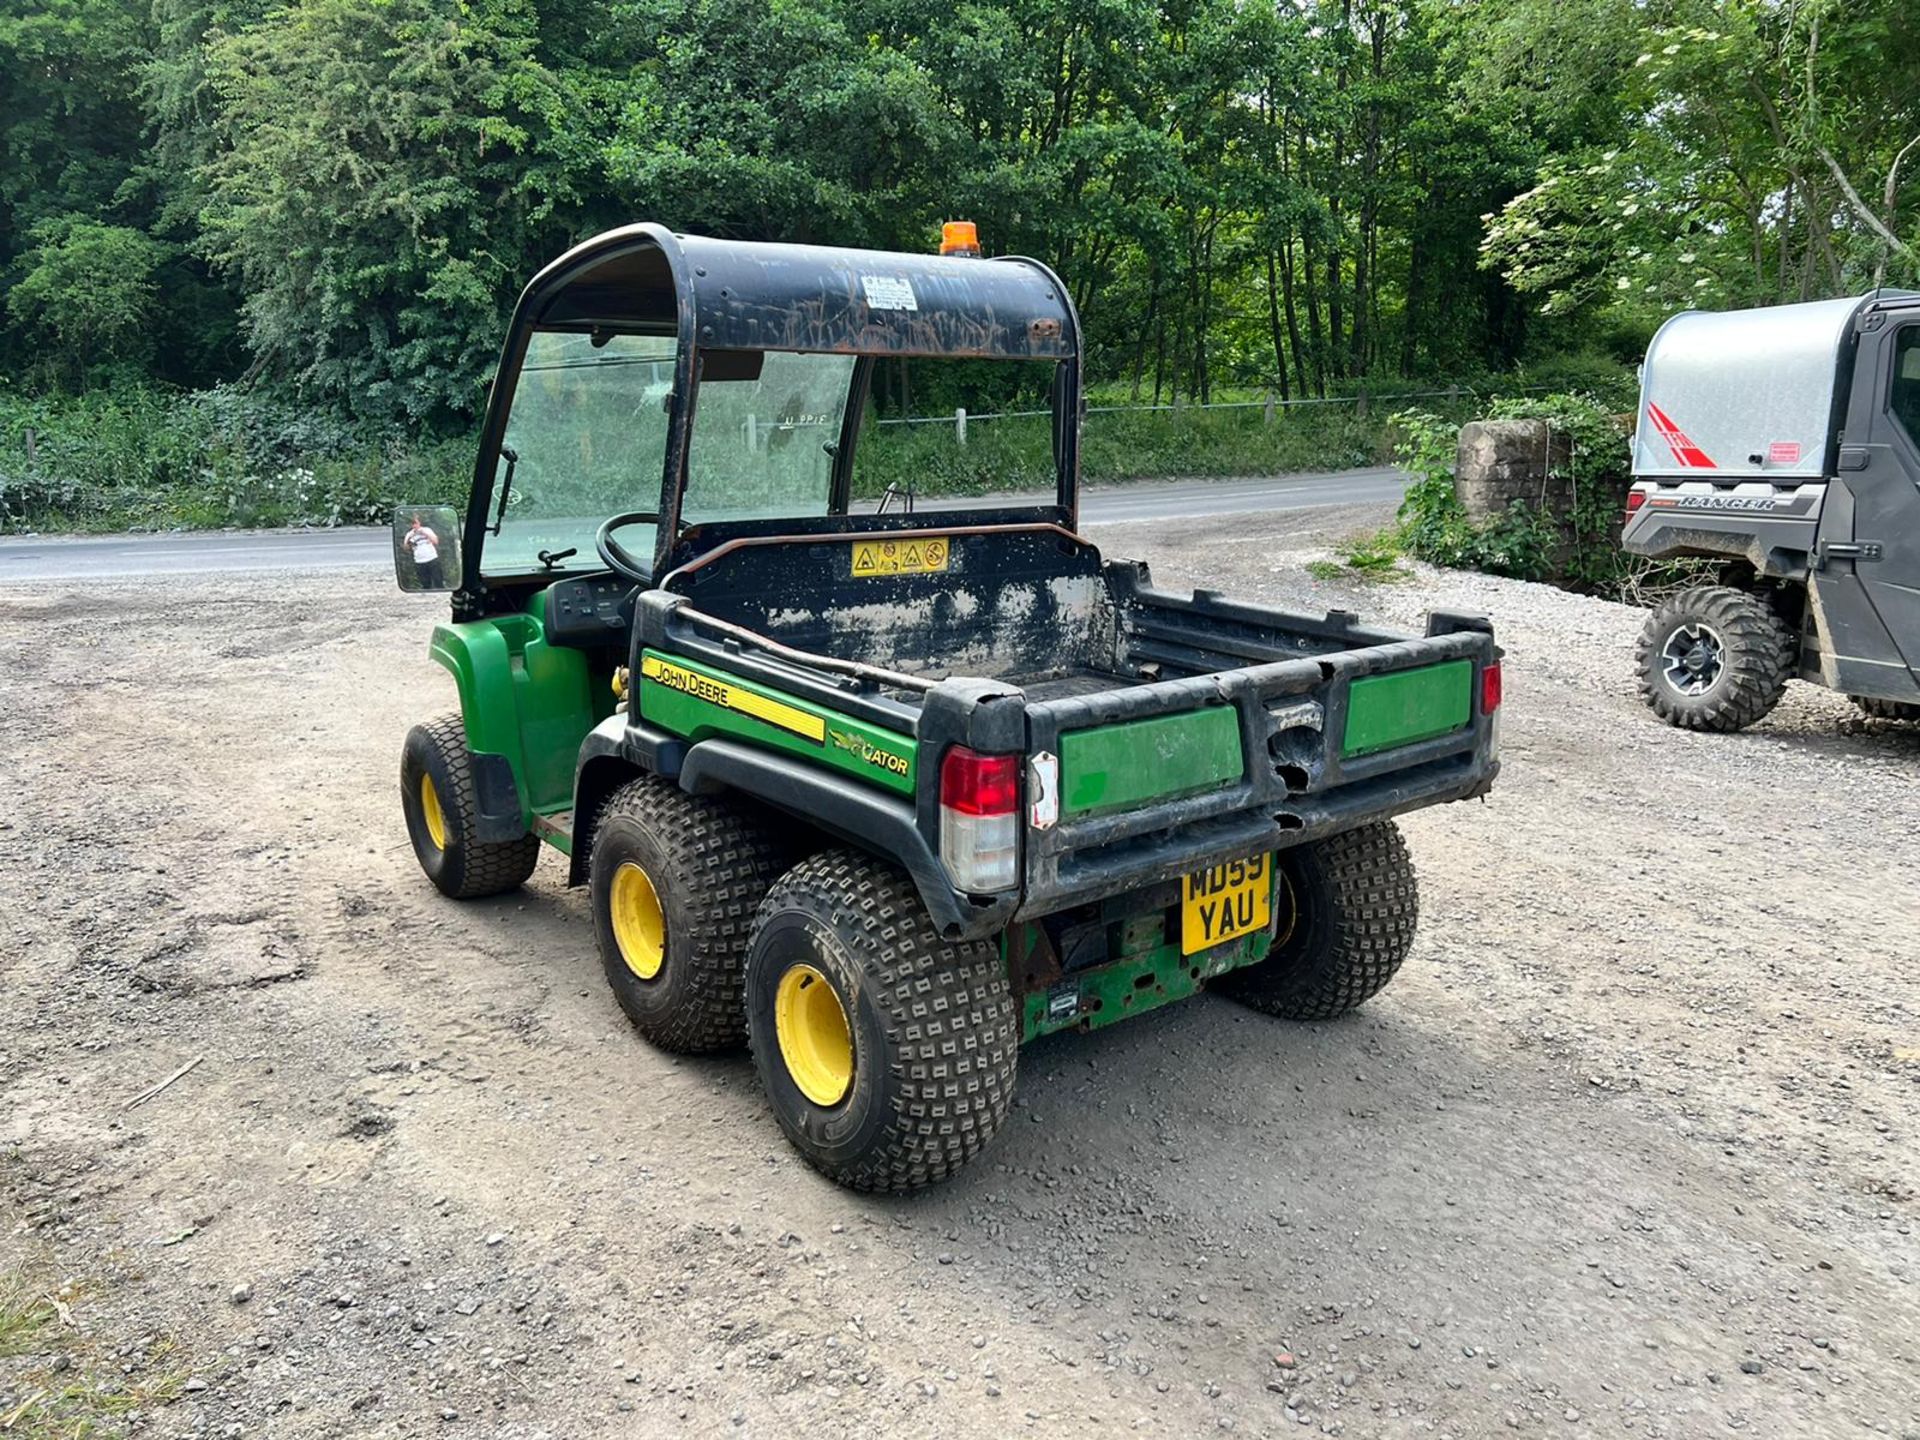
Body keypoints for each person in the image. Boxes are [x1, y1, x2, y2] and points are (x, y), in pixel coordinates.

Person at [405, 514, 445, 589]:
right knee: (425, 583)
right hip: (419, 561)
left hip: (432, 558)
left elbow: (436, 541)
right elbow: (406, 548)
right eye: (412, 524)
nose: (414, 525)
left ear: (419, 523)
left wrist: (424, 533)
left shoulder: (427, 530)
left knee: (438, 580)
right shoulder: (409, 534)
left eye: (416, 523)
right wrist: (409, 538)